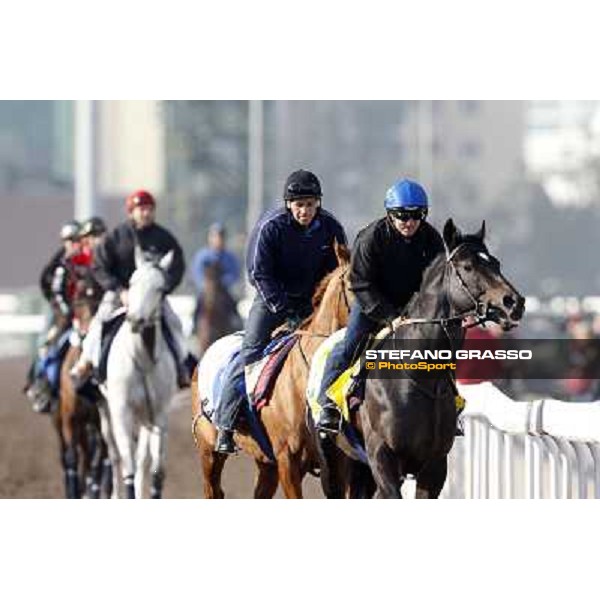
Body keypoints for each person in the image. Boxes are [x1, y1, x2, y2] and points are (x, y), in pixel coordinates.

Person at [214, 169, 347, 454]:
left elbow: (339, 269)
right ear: (289, 204)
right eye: (299, 205)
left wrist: (323, 302)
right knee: (250, 352)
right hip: (272, 299)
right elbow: (258, 274)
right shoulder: (271, 227)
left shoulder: (331, 227)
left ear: (318, 204)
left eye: (311, 205)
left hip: (313, 301)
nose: (305, 211)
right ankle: (225, 424)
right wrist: (283, 310)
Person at [315, 178, 445, 433]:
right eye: (401, 216)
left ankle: (449, 402)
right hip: (372, 304)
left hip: (412, 308)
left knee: (439, 348)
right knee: (350, 345)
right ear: (389, 214)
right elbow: (360, 283)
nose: (409, 222)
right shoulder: (370, 238)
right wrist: (390, 317)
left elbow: (437, 282)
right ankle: (327, 403)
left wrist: (420, 311)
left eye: (416, 215)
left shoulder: (432, 239)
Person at [70, 190, 192, 389]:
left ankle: (182, 366)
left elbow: (177, 266)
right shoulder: (116, 237)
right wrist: (119, 290)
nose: (146, 213)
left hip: (152, 297)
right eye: (141, 209)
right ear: (131, 212)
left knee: (174, 323)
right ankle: (85, 363)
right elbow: (99, 266)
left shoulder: (164, 239)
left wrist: (163, 289)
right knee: (99, 324)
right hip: (120, 295)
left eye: (150, 209)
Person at [190, 222, 241, 331]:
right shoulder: (202, 256)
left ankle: (237, 324)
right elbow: (197, 272)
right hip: (206, 290)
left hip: (222, 290)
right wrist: (205, 285)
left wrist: (223, 282)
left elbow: (234, 273)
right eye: (215, 236)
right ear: (210, 238)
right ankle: (194, 328)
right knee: (199, 304)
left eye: (220, 237)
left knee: (232, 304)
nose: (218, 239)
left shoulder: (229, 257)